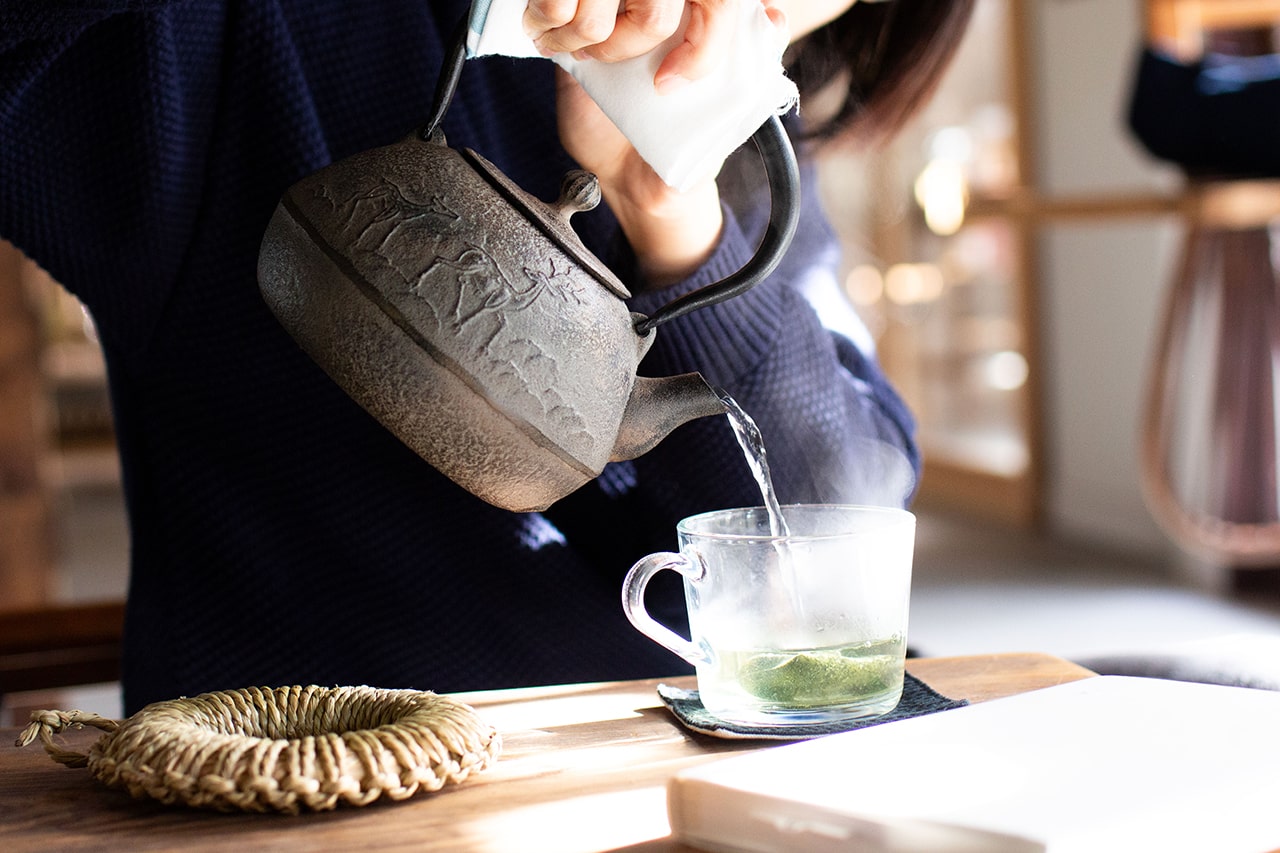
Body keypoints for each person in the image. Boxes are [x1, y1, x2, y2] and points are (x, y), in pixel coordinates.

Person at [0, 0, 973, 714]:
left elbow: (835, 524)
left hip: (672, 763)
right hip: (328, 781)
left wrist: (672, 211)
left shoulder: (737, 151)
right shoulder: (253, 44)